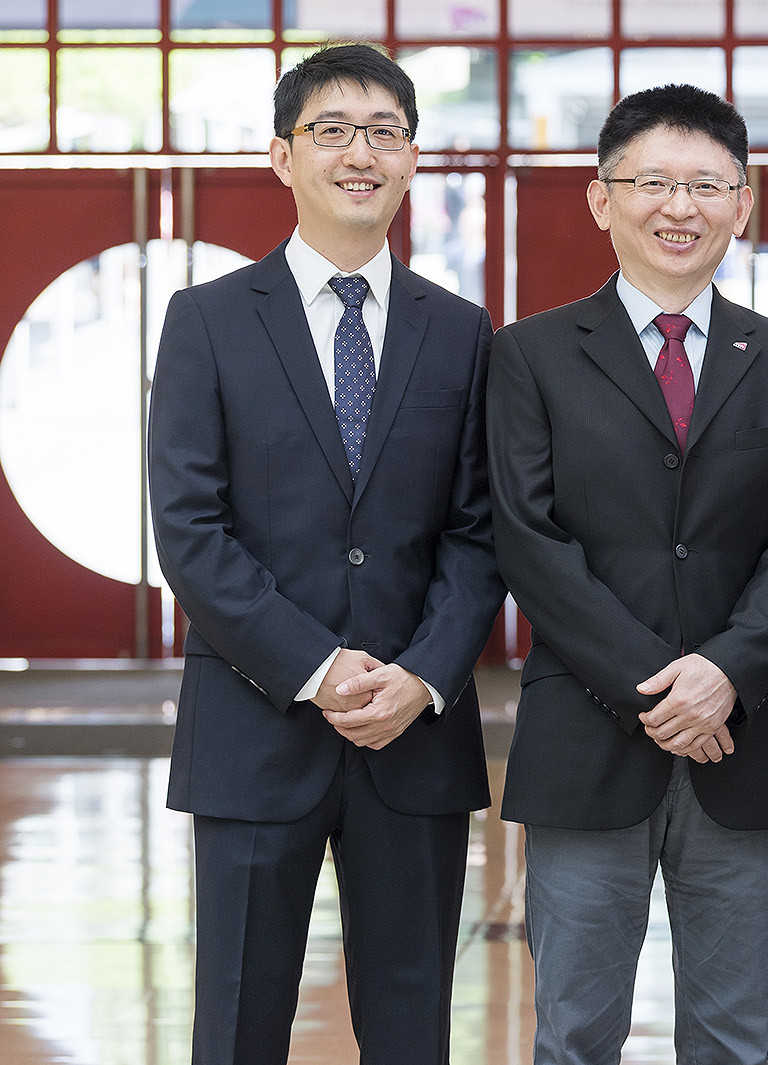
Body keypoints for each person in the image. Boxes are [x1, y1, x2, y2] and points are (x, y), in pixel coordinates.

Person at [147, 43, 504, 1065]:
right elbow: (189, 526)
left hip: (415, 737)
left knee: (413, 1029)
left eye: (385, 132)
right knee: (239, 1027)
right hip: (255, 730)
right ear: (280, 156)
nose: (362, 153)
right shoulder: (207, 321)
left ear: (412, 160)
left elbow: (479, 532)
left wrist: (423, 678)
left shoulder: (462, 331)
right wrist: (315, 667)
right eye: (332, 131)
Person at [487, 84, 768, 1064]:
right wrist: (663, 685)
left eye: (704, 185)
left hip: (745, 740)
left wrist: (725, 671)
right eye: (651, 183)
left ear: (742, 200)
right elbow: (528, 541)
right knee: (574, 1031)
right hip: (586, 744)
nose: (676, 207)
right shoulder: (530, 356)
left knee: (733, 1036)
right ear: (602, 200)